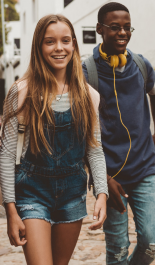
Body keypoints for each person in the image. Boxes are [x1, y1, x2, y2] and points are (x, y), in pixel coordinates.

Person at [0, 14, 108, 265]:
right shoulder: (22, 91)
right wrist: (10, 209)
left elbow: (94, 149)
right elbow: (5, 154)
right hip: (32, 193)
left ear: (74, 45)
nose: (59, 48)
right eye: (50, 42)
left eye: (65, 41)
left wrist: (101, 192)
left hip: (72, 194)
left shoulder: (88, 95)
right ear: (39, 47)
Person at [82, 2, 155, 264]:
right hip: (110, 176)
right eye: (115, 27)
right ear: (99, 29)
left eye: (127, 28)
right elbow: (80, 133)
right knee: (117, 249)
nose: (122, 33)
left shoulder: (141, 65)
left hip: (144, 170)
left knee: (152, 242)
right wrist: (102, 179)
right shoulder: (86, 73)